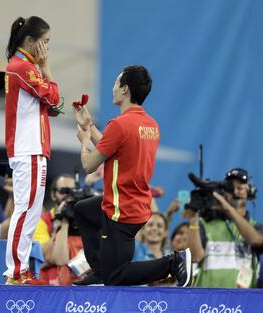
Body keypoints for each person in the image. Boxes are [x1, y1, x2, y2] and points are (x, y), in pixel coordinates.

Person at [72, 65, 192, 286]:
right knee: (82, 210)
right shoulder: (150, 124)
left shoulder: (119, 125)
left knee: (115, 276)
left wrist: (84, 141)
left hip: (121, 212)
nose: (113, 89)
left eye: (116, 84)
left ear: (125, 89)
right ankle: (99, 268)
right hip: (136, 203)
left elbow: (89, 165)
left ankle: (173, 263)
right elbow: (112, 148)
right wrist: (89, 125)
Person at [3, 16, 60, 285]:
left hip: (34, 148)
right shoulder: (21, 67)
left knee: (32, 211)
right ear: (30, 41)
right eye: (45, 43)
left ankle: (22, 269)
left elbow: (51, 103)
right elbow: (53, 97)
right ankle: (15, 272)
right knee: (25, 210)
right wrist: (47, 67)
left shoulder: (25, 66)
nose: (46, 49)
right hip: (28, 148)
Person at [187, 168, 263, 288]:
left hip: (243, 302)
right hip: (209, 301)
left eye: (240, 188)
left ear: (250, 192)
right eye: (231, 188)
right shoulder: (204, 224)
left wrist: (226, 207)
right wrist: (194, 216)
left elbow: (255, 240)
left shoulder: (256, 227)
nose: (236, 192)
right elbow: (195, 257)